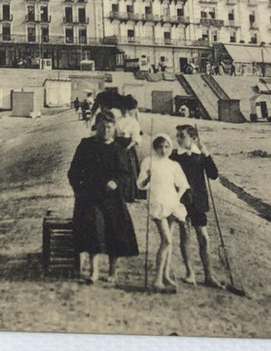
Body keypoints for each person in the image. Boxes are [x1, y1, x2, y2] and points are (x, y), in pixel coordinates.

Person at [67, 112, 139, 284]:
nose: (106, 130)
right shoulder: (86, 145)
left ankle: (112, 271)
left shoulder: (118, 150)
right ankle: (94, 271)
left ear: (114, 129)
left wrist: (116, 182)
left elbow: (126, 174)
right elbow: (74, 171)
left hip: (112, 199)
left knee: (114, 232)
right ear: (96, 126)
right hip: (89, 197)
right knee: (93, 232)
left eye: (109, 127)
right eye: (103, 127)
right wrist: (79, 190)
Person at [138, 134, 190, 292]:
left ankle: (166, 275)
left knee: (169, 242)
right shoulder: (149, 161)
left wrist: (177, 198)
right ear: (155, 147)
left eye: (166, 146)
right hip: (158, 204)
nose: (163, 149)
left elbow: (183, 185)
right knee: (166, 240)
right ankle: (157, 279)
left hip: (172, 204)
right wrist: (148, 179)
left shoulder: (173, 164)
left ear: (170, 147)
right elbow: (140, 184)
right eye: (160, 146)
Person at [172, 125, 220, 287]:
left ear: (194, 139)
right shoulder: (174, 156)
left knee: (204, 238)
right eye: (177, 136)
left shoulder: (200, 156)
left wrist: (207, 155)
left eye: (182, 136)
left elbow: (213, 175)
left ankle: (209, 275)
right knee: (185, 236)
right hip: (182, 201)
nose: (178, 139)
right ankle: (190, 273)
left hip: (198, 202)